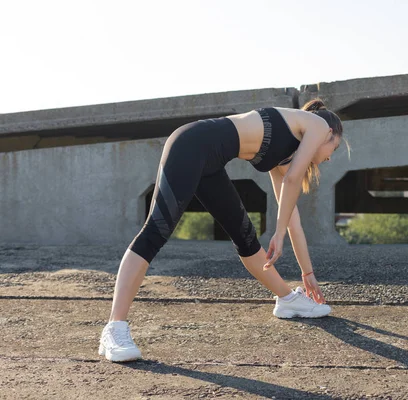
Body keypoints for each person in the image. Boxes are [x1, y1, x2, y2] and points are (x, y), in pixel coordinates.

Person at [98, 99, 346, 362]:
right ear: (328, 134)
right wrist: (278, 233)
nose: (330, 156)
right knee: (156, 231)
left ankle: (287, 299)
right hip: (190, 144)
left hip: (211, 163)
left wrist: (307, 273)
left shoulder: (285, 155)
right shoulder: (318, 124)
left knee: (245, 237)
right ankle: (114, 329)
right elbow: (293, 180)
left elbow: (292, 215)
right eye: (335, 147)